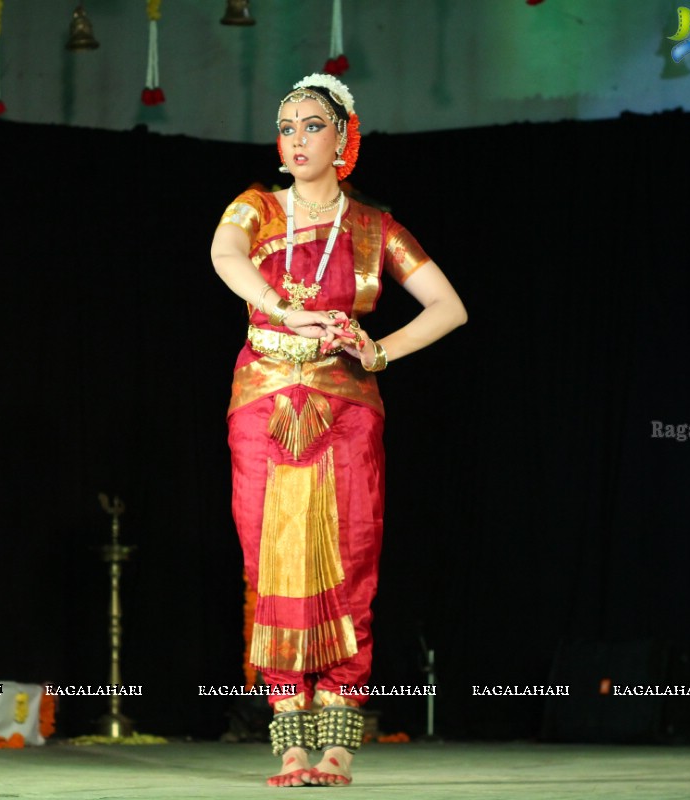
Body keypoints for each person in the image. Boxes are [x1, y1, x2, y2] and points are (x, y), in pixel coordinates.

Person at [210, 73, 467, 787]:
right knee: (269, 563)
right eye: (286, 126)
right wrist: (280, 310)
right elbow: (223, 256)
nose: (295, 139)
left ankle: (339, 738)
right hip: (262, 399)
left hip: (346, 407)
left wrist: (382, 352)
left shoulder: (374, 225)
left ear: (343, 139)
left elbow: (449, 307)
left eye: (312, 125)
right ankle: (287, 733)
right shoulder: (255, 207)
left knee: (349, 562)